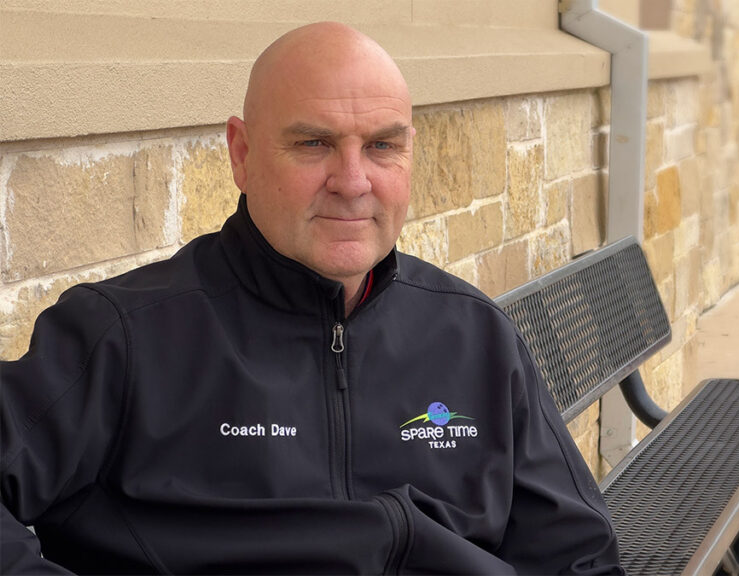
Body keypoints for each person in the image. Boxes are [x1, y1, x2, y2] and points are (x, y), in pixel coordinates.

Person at [0, 22, 622, 574]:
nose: (352, 183)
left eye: (382, 145)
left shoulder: (477, 337)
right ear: (240, 155)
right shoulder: (124, 337)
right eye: (313, 144)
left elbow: (577, 553)